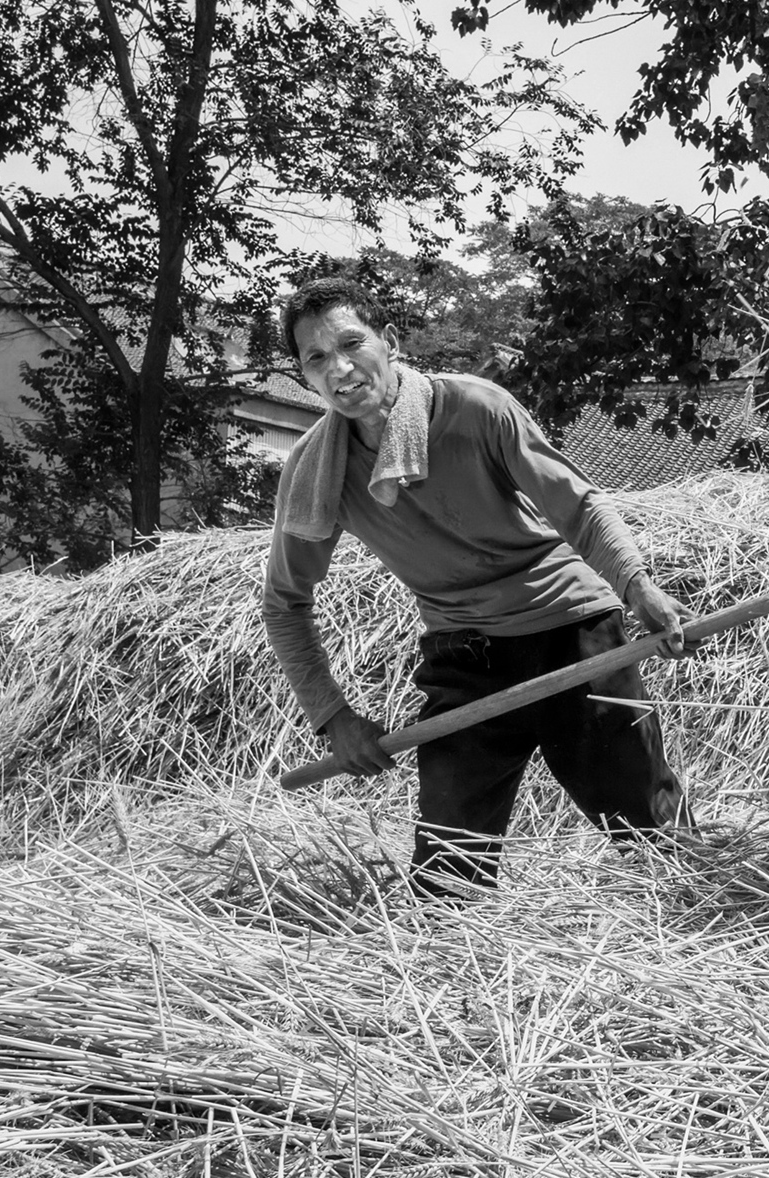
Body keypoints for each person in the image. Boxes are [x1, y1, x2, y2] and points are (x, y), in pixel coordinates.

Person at [261, 275, 690, 893]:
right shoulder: (313, 471)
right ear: (304, 376)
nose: (340, 368)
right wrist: (333, 717)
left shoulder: (475, 409)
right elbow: (284, 602)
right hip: (465, 654)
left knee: (655, 838)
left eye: (352, 344)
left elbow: (578, 505)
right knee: (446, 877)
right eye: (317, 358)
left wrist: (636, 585)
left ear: (391, 342)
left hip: (572, 632)